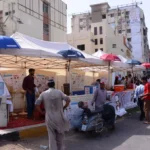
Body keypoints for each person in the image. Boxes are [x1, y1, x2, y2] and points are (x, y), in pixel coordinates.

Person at [35, 79, 70, 150]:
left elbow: (36, 104)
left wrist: (41, 112)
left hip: (49, 117)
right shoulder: (59, 92)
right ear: (54, 85)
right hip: (59, 117)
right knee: (60, 136)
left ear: (47, 85)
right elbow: (68, 100)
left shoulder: (43, 93)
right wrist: (64, 107)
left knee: (51, 137)